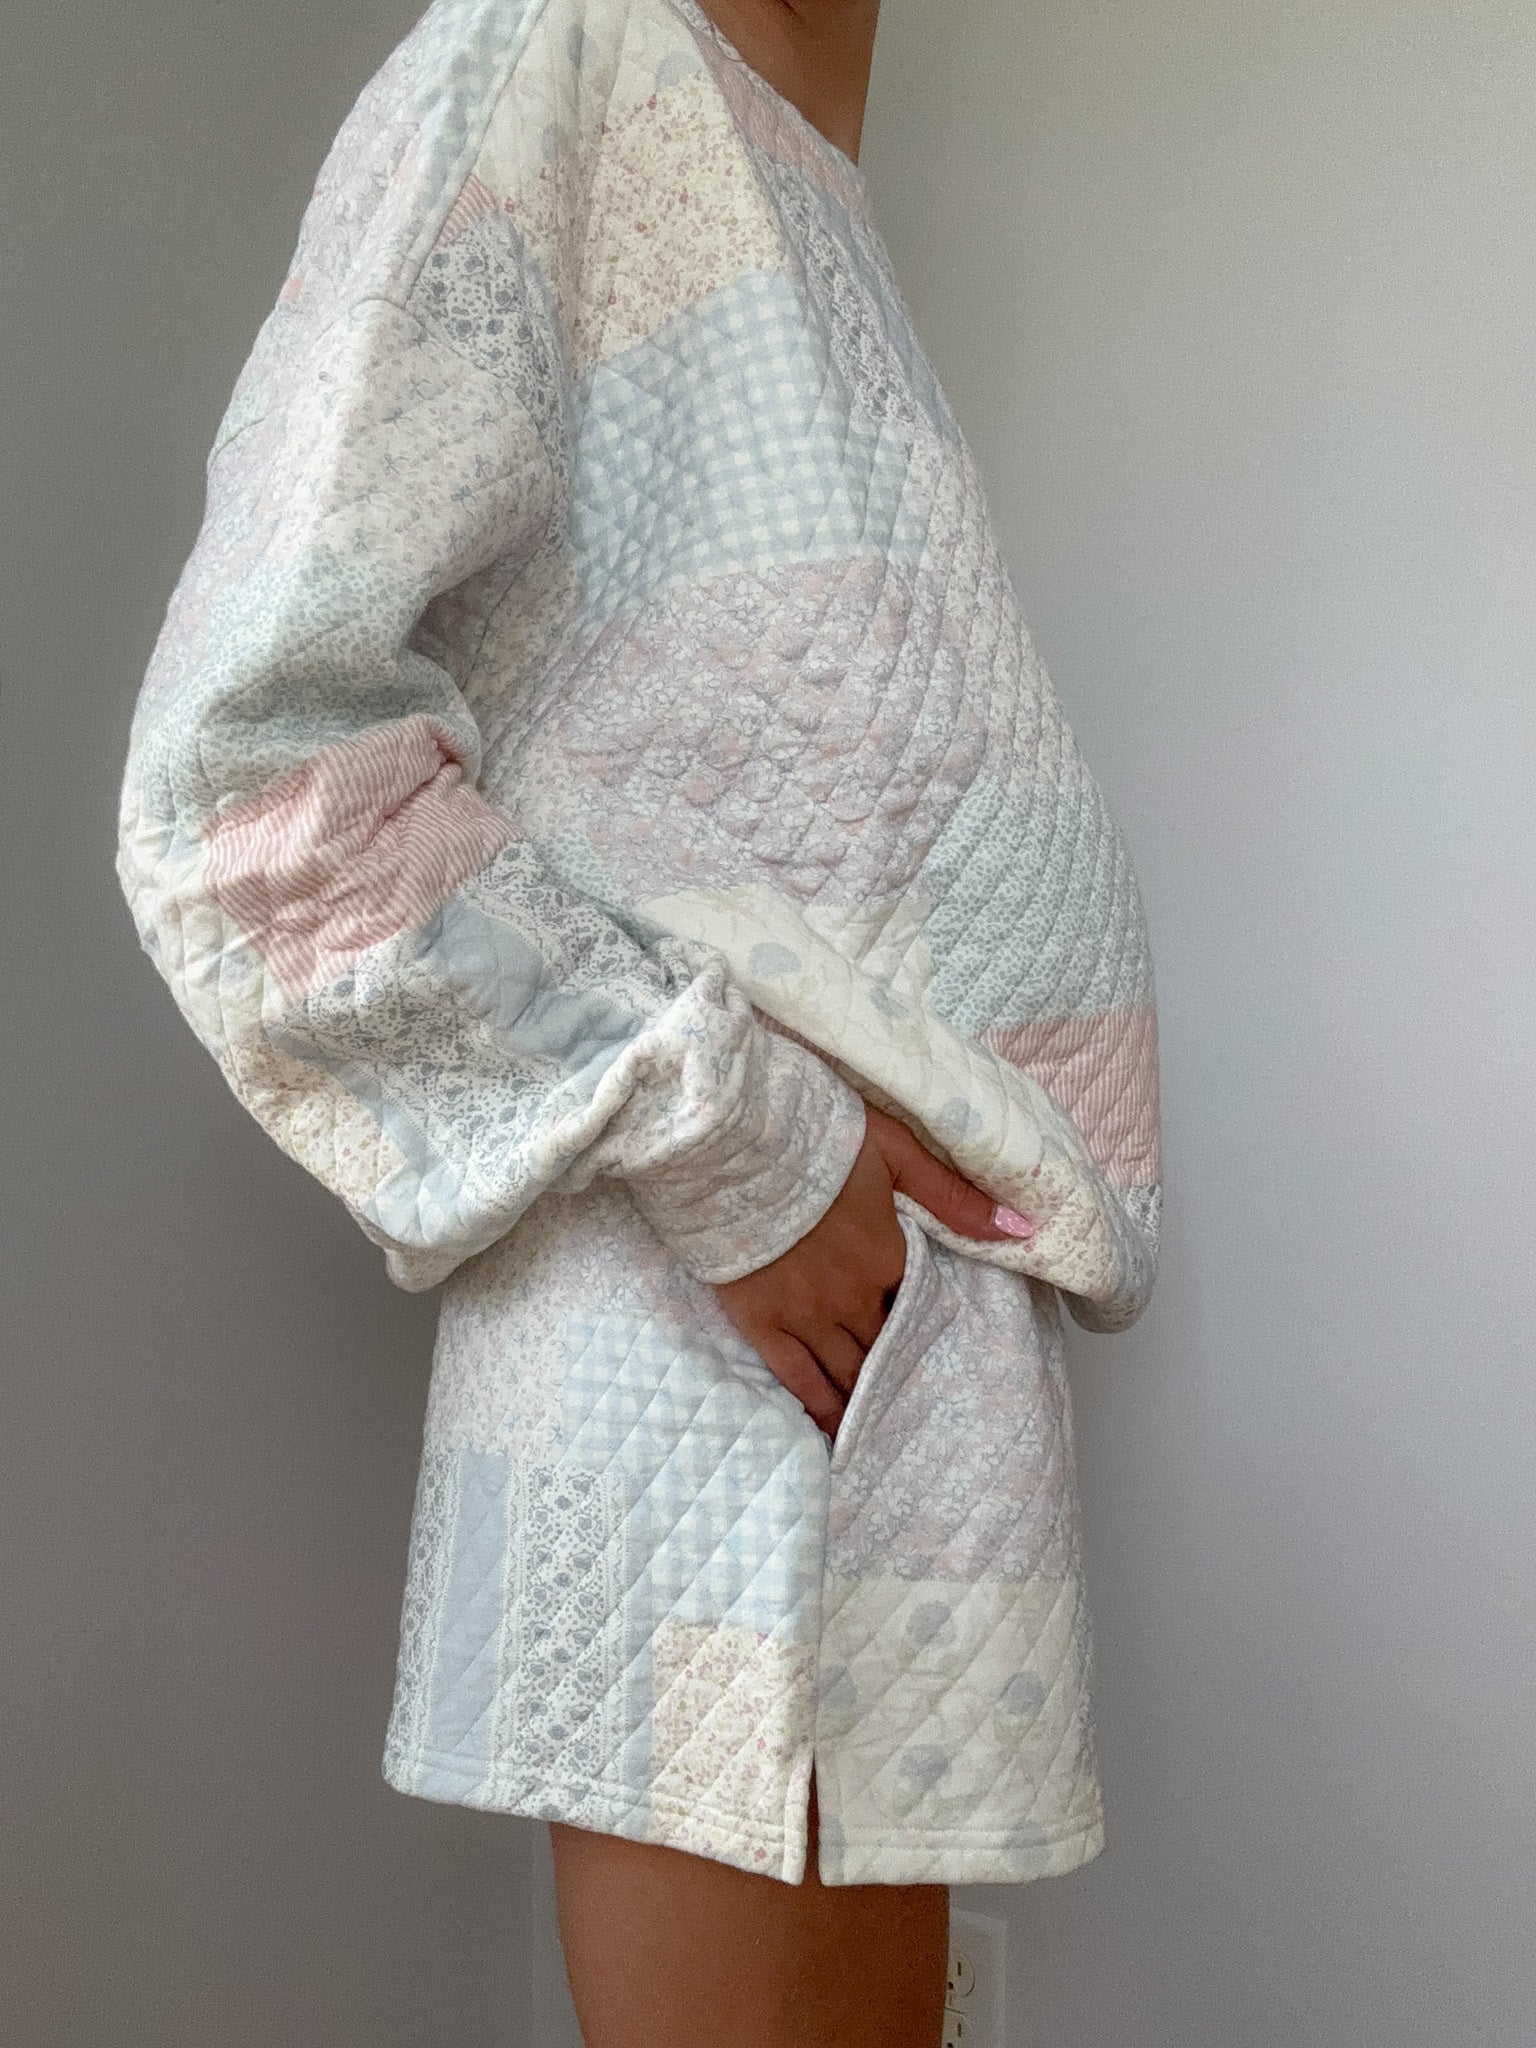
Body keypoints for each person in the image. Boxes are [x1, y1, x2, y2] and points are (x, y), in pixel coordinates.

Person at [115, 0, 1162, 2039]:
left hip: (876, 1350)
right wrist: (738, 1143)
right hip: (728, 1322)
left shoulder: (793, 156)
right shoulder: (561, 50)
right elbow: (252, 777)